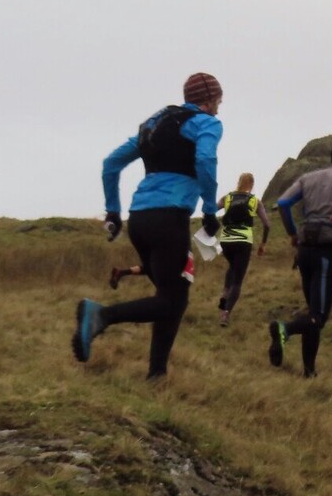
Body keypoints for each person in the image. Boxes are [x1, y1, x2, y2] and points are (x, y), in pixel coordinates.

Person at [73, 72, 223, 379]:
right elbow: (206, 160)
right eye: (219, 101)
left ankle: (157, 376)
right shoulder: (206, 123)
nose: (219, 108)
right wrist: (209, 210)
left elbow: (111, 164)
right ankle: (100, 316)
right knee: (172, 300)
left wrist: (113, 212)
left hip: (139, 220)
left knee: (171, 297)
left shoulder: (155, 123)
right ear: (209, 101)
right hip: (170, 218)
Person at [268, 140, 332, 377]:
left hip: (304, 249)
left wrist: (292, 234)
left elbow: (283, 203)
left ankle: (309, 372)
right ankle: (284, 329)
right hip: (327, 250)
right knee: (319, 316)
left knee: (313, 314)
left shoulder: (308, 178)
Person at [217, 173, 272, 326]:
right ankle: (226, 314)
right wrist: (263, 244)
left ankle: (225, 293)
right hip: (243, 242)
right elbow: (267, 224)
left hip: (226, 241)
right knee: (238, 280)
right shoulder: (255, 201)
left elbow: (210, 209)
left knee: (232, 266)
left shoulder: (227, 198)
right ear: (252, 184)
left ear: (239, 182)